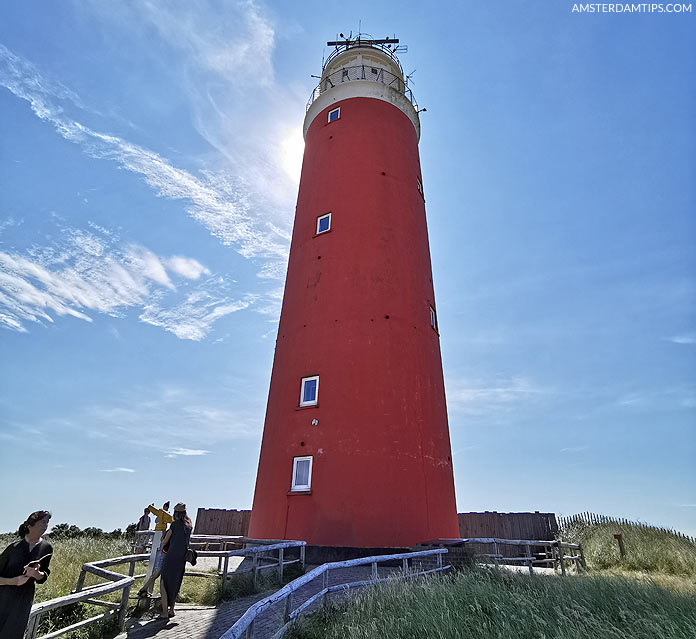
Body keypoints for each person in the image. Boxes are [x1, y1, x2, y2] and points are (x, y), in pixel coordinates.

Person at [0, 511, 53, 639]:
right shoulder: (13, 548)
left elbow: (43, 576)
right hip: (3, 599)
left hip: (23, 601)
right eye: (42, 522)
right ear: (30, 526)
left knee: (14, 634)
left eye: (47, 523)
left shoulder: (46, 548)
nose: (45, 526)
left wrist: (36, 574)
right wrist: (14, 581)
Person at [158, 503, 192, 620]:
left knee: (163, 583)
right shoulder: (189, 525)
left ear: (175, 513)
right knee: (176, 583)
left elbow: (164, 542)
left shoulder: (174, 525)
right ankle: (172, 609)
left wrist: (164, 536)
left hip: (171, 557)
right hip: (181, 559)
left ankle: (164, 612)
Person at [137, 501, 173, 597]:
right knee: (157, 573)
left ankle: (145, 589)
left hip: (163, 550)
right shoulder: (169, 521)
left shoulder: (165, 519)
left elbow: (164, 540)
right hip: (164, 550)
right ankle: (144, 589)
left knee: (157, 573)